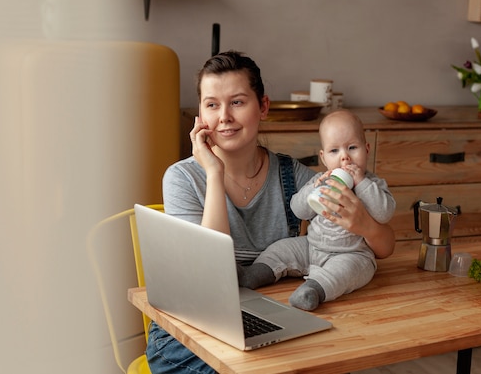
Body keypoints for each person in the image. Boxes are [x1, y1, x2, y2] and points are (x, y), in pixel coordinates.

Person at [146, 51, 396, 374]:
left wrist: (364, 224)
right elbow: (209, 274)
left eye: (237, 102)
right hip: (190, 338)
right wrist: (214, 173)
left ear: (263, 107)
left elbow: (385, 247)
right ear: (200, 116)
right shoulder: (183, 179)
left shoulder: (295, 177)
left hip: (268, 322)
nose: (224, 117)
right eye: (211, 105)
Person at [238, 109, 396, 310]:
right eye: (334, 151)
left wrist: (361, 182)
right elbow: (298, 210)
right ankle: (254, 274)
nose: (345, 158)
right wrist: (314, 188)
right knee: (282, 249)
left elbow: (384, 213)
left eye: (352, 147)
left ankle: (313, 290)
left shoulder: (372, 184)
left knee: (348, 271)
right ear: (323, 157)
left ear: (366, 149)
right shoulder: (319, 180)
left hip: (351, 253)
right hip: (312, 246)